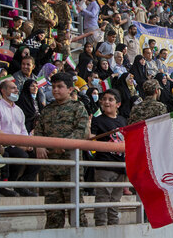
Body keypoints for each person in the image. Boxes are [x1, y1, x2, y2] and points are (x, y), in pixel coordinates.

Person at [34, 73, 89, 228]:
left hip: (71, 165)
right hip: (50, 166)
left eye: (60, 87)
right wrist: (39, 145)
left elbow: (82, 131)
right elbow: (38, 131)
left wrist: (64, 143)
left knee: (76, 210)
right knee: (52, 211)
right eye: (53, 87)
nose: (56, 90)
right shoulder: (47, 110)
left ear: (70, 89)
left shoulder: (77, 108)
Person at [0, 79, 39, 196]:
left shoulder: (19, 110)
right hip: (4, 145)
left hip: (20, 144)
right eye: (13, 88)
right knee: (20, 154)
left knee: (38, 156)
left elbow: (23, 130)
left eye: (16, 88)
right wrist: (19, 144)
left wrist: (27, 143)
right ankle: (7, 186)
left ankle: (22, 185)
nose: (16, 90)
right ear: (3, 91)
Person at [91, 89, 127, 226]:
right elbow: (91, 138)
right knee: (103, 197)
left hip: (119, 166)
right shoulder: (98, 120)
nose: (106, 102)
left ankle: (113, 224)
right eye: (104, 99)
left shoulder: (123, 121)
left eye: (110, 100)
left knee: (115, 199)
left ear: (118, 104)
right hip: (104, 165)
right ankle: (101, 225)